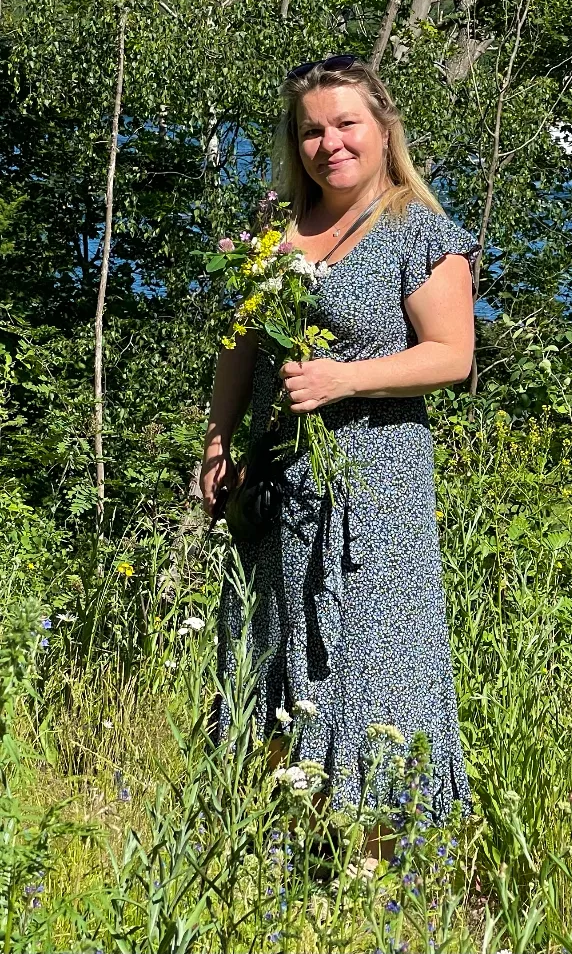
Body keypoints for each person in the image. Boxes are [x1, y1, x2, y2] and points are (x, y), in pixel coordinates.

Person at [200, 54, 478, 871]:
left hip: (374, 492)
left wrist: (345, 378)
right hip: (280, 483)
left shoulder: (420, 233)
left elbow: (451, 356)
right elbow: (240, 349)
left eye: (345, 123)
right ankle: (281, 852)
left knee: (378, 665)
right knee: (272, 653)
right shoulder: (272, 231)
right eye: (312, 130)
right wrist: (219, 442)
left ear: (383, 128)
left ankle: (388, 864)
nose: (330, 143)